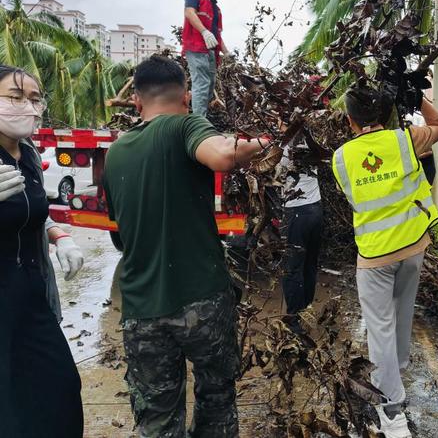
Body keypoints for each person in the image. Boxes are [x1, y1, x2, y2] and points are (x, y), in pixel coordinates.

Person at [103, 55, 269, 438]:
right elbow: (223, 154)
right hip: (201, 302)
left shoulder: (115, 152)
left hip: (141, 310)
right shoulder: (185, 125)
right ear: (187, 97)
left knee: (158, 418)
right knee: (216, 399)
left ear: (138, 102)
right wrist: (266, 141)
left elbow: (123, 226)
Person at [332, 87, 438, 438]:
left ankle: (391, 410)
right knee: (402, 313)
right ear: (386, 114)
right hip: (414, 245)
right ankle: (396, 371)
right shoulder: (406, 139)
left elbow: (354, 196)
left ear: (350, 120)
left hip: (374, 256)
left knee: (379, 327)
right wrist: (416, 97)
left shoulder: (340, 157)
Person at [0, 65, 85, 438]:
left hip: (32, 298)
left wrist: (57, 235)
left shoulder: (30, 156)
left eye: (34, 99)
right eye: (14, 98)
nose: (26, 107)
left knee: (60, 392)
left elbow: (33, 211)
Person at [278, 134, 323, 334]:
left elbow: (274, 174)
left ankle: (294, 318)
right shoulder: (313, 143)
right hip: (315, 209)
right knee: (309, 264)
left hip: (295, 212)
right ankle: (305, 308)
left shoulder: (284, 149)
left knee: (292, 267)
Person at [182, 0, 233, 117]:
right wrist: (204, 32)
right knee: (202, 83)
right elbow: (189, 12)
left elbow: (216, 34)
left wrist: (226, 52)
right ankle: (199, 122)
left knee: (209, 85)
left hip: (211, 50)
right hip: (196, 46)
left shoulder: (216, 8)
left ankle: (198, 116)